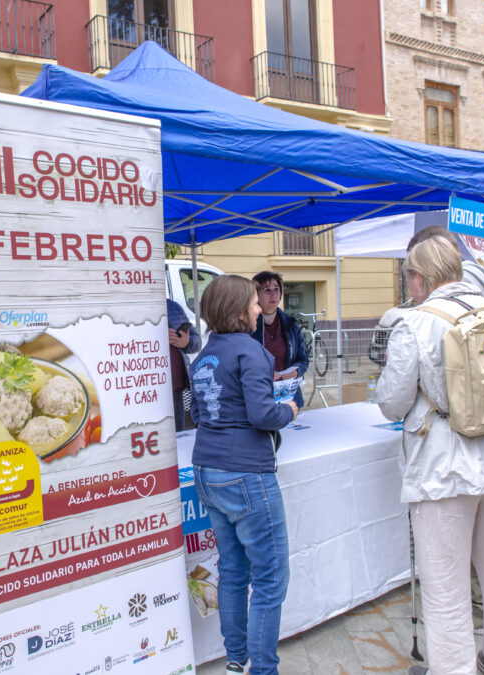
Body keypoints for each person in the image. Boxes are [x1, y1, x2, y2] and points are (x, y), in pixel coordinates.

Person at [376, 236, 484, 675]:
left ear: (417, 278)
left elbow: (391, 402)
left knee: (445, 590)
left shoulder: (414, 323)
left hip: (445, 466)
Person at [189, 275, 298, 675]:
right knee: (270, 577)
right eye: (254, 303)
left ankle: (236, 660)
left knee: (233, 570)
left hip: (207, 470)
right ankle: (263, 670)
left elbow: (199, 415)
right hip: (245, 474)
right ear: (238, 311)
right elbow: (263, 414)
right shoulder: (252, 352)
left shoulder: (203, 357)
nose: (259, 309)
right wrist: (290, 411)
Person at [250, 271, 309, 408]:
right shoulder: (249, 326)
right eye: (267, 290)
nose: (274, 294)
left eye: (276, 289)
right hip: (260, 397)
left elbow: (304, 359)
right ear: (256, 295)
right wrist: (264, 374)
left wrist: (296, 372)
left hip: (289, 397)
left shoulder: (291, 325)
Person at [167, 298, 202, 431]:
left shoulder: (172, 307)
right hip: (148, 390)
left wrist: (187, 342)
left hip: (176, 388)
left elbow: (197, 340)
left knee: (178, 435)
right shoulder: (132, 307)